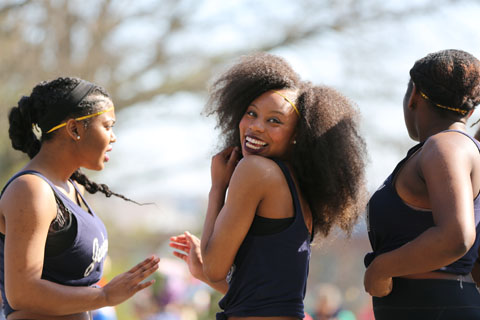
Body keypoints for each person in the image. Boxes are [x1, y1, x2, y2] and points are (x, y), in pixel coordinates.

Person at [170, 52, 367, 319]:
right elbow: (264, 294)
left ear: (299, 135)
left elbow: (214, 268)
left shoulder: (255, 170)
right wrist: (201, 272)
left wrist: (217, 188)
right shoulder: (298, 191)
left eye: (274, 120)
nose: (256, 127)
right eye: (251, 113)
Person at [0, 77, 160, 320]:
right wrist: (105, 296)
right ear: (74, 129)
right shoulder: (31, 190)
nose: (113, 137)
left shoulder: (73, 189)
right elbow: (22, 293)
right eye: (107, 126)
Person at [363, 49, 480, 319]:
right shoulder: (463, 150)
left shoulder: (444, 146)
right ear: (471, 109)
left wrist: (380, 269)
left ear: (414, 94)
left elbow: (456, 237)